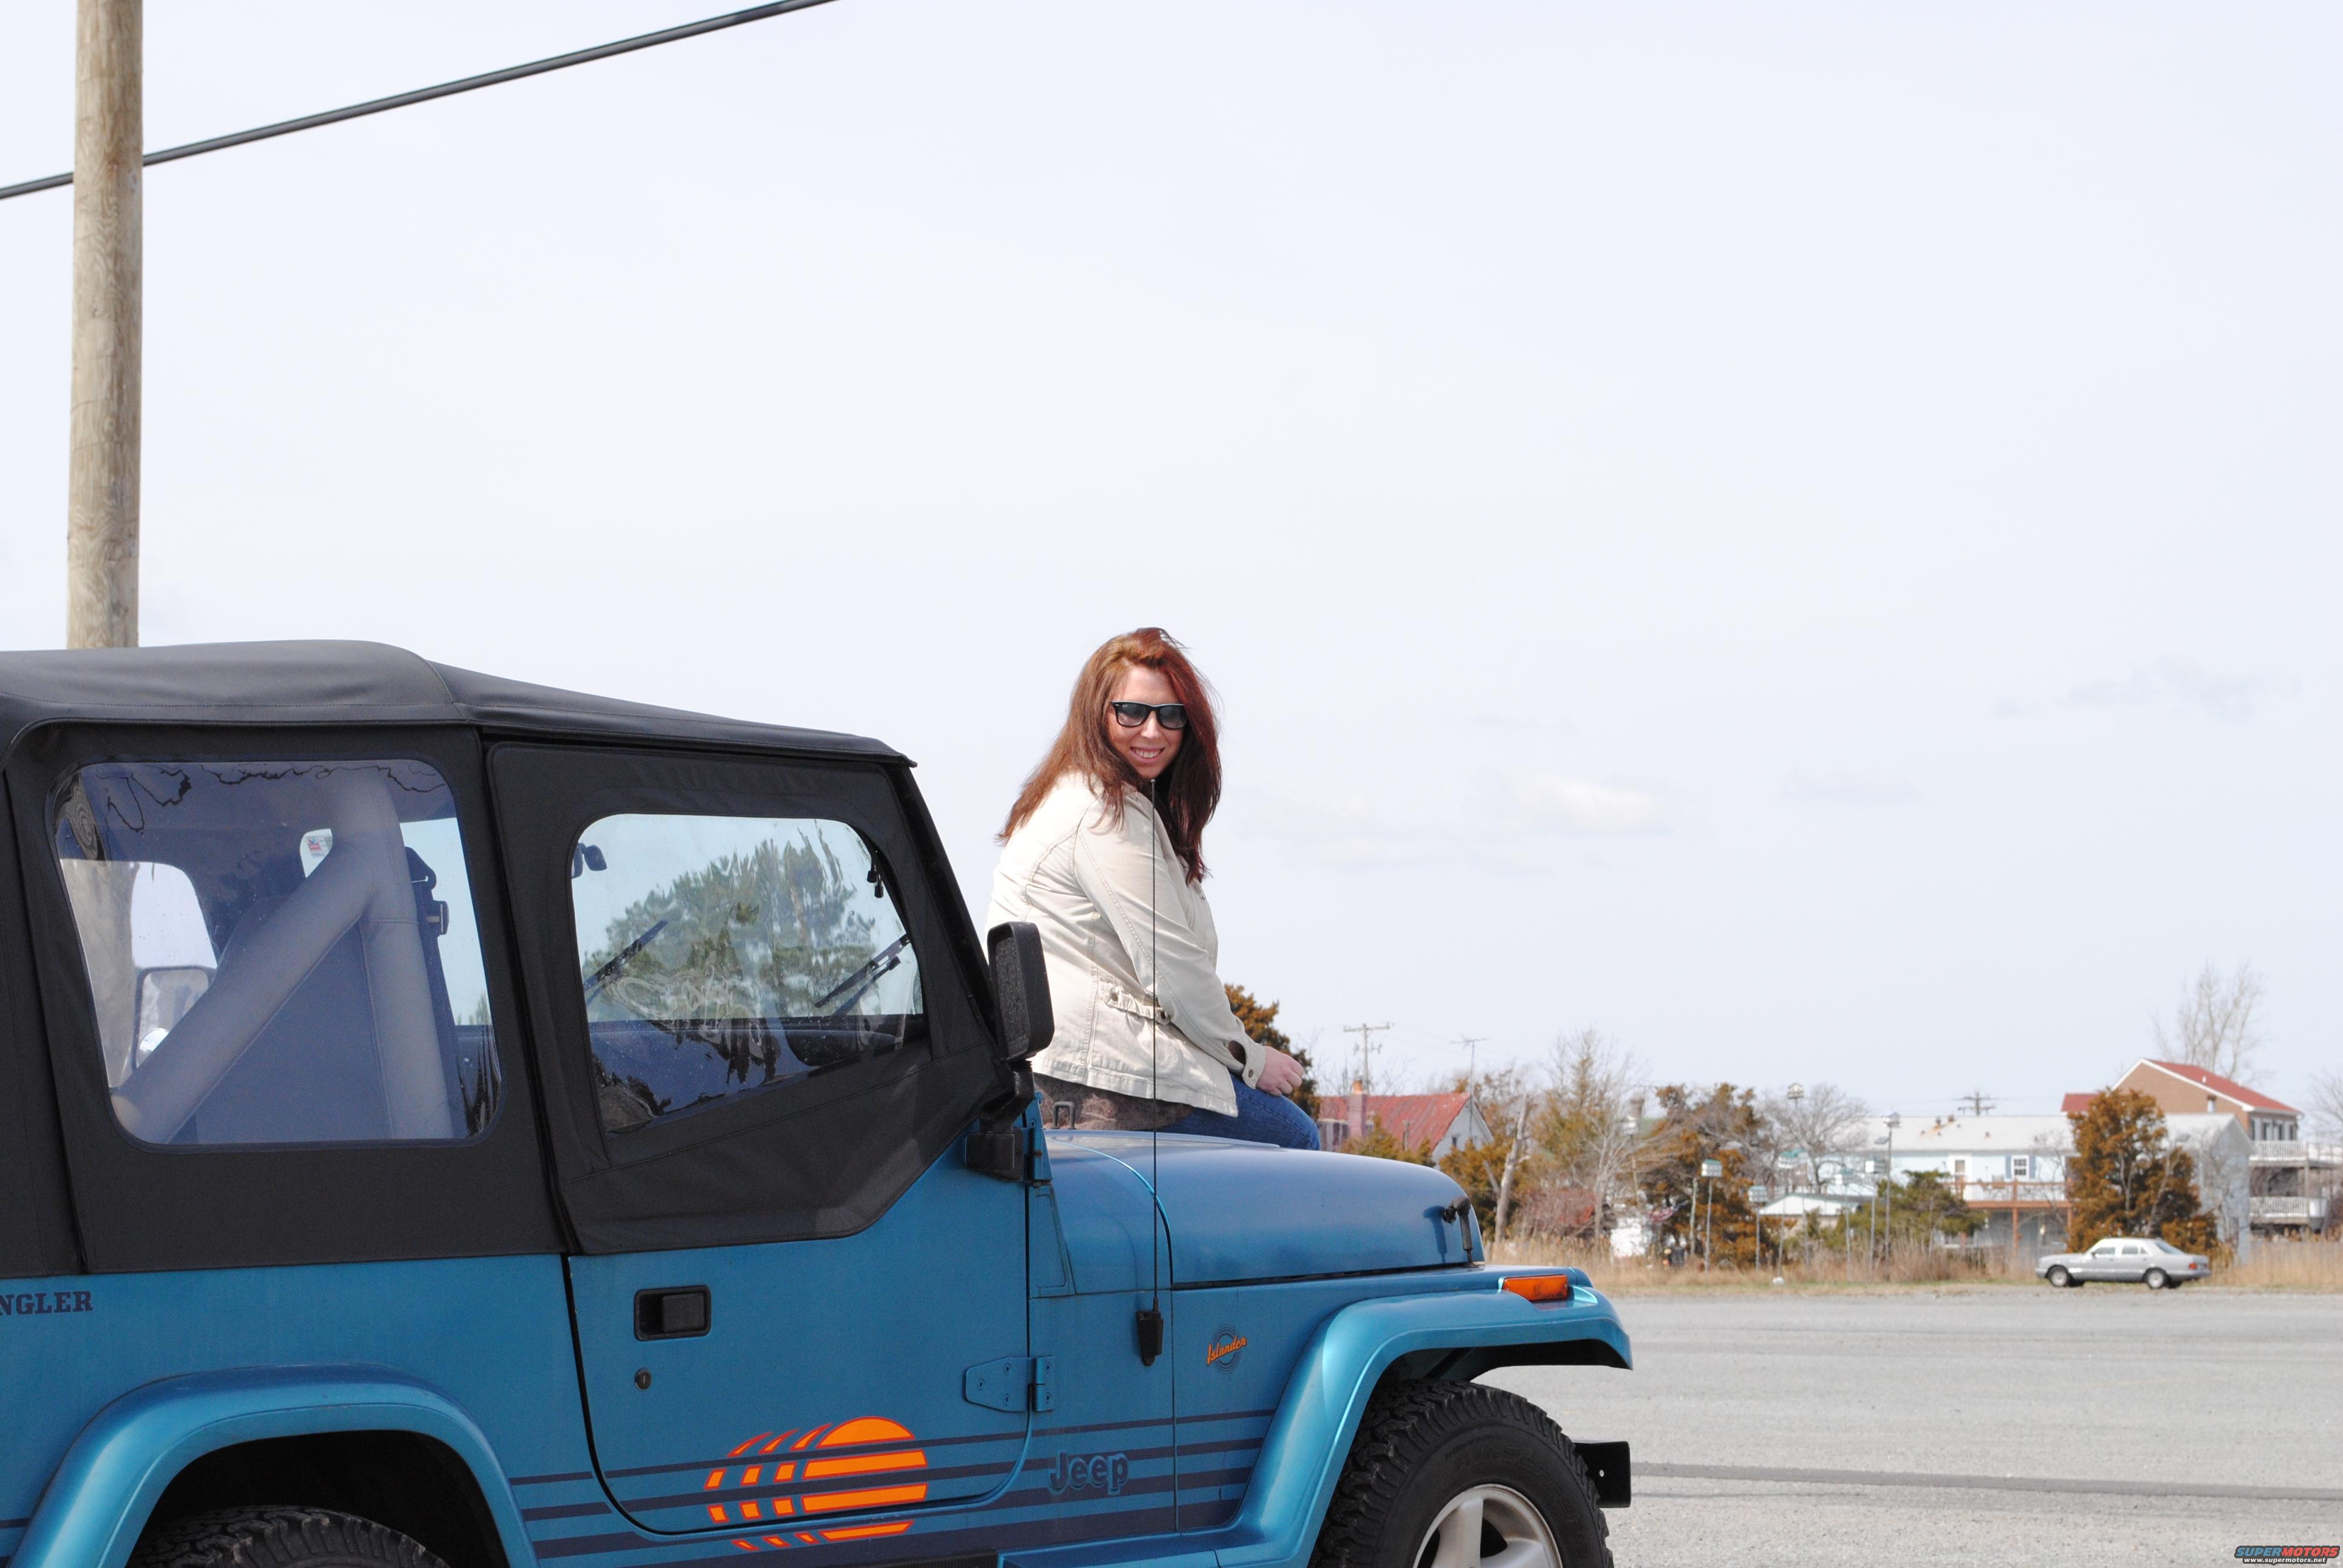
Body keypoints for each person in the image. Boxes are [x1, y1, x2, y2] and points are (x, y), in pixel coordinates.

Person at [989, 628, 1319, 1149]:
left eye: (1170, 716)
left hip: (1077, 1061)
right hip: (1092, 1073)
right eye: (1131, 712)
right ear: (1097, 714)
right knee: (1293, 1137)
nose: (1152, 731)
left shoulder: (1104, 802)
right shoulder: (1101, 815)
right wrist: (1251, 1058)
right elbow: (1172, 967)